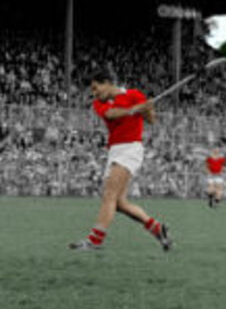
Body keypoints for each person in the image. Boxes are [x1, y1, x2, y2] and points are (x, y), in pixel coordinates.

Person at [71, 72, 173, 252]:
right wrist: (134, 109)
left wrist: (147, 108)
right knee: (119, 203)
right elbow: (111, 114)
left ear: (107, 82)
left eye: (96, 88)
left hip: (130, 148)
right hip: (114, 150)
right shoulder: (99, 103)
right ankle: (157, 229)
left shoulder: (134, 95)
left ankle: (95, 241)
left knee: (109, 195)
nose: (94, 93)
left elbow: (151, 120)